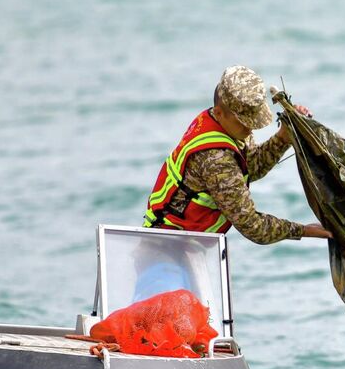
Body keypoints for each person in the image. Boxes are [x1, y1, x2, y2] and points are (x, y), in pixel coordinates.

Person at [141, 65, 331, 244]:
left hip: (189, 243)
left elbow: (250, 167)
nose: (250, 128)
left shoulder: (224, 126)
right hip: (167, 246)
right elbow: (252, 226)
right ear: (219, 112)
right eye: (244, 121)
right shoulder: (216, 159)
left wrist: (283, 138)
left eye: (253, 119)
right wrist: (304, 230)